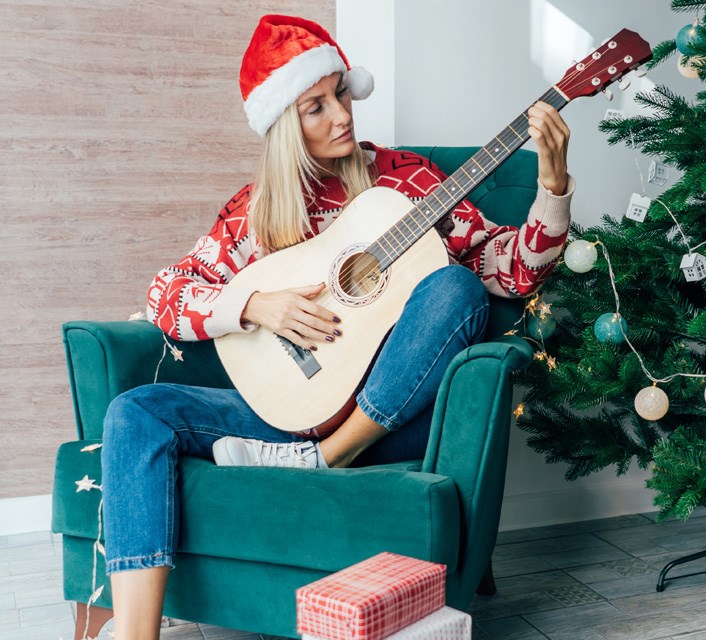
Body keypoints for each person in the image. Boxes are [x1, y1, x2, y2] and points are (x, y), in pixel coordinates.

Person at [99, 14, 573, 639]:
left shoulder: (407, 181)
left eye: (342, 93)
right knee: (135, 413)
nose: (343, 115)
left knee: (456, 286)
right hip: (280, 418)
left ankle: (325, 458)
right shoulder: (257, 211)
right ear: (282, 129)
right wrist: (254, 307)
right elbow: (168, 292)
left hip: (392, 424)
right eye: (315, 107)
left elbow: (511, 272)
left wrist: (553, 182)